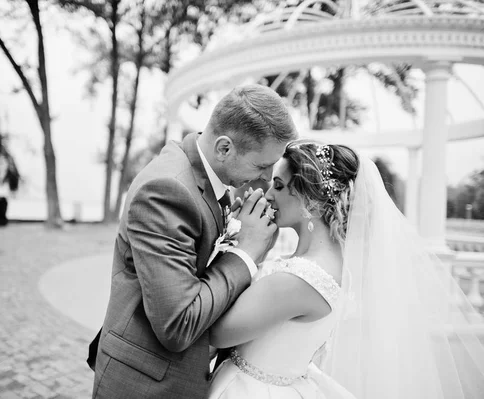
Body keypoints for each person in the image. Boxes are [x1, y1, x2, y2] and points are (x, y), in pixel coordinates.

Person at [208, 140, 484, 399]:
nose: (267, 195)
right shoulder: (325, 266)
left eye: (278, 186)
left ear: (310, 197)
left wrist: (243, 248)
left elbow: (218, 334)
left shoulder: (301, 279)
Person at [90, 84, 298, 399]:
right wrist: (245, 253)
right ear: (224, 148)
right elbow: (177, 324)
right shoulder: (166, 190)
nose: (268, 178)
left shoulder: (208, 173)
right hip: (145, 385)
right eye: (260, 165)